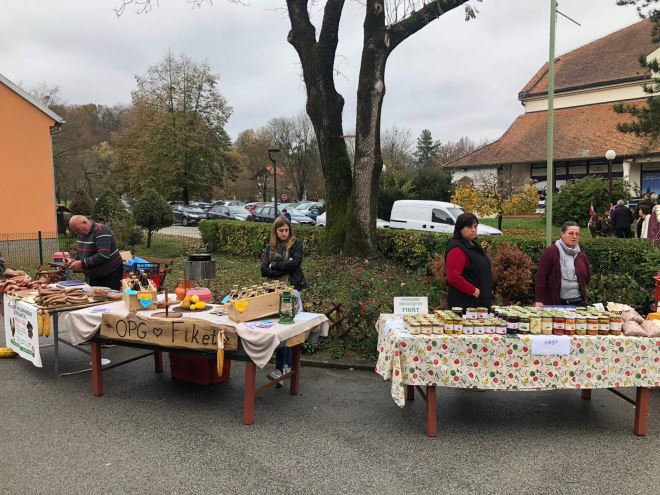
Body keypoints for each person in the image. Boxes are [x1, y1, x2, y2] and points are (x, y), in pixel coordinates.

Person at [260, 216, 306, 383]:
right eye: (281, 230)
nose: (284, 233)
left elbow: (295, 264)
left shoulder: (296, 245)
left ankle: (281, 368)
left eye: (287, 230)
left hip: (292, 291)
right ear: (275, 231)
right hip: (273, 291)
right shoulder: (269, 248)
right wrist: (285, 264)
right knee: (280, 329)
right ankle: (283, 367)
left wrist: (274, 265)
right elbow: (263, 270)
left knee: (287, 327)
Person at [535, 221, 591, 307]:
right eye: (571, 233)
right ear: (562, 234)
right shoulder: (550, 252)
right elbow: (541, 277)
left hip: (578, 302)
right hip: (557, 302)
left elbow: (587, 277)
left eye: (577, 234)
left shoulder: (581, 255)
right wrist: (539, 300)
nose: (574, 237)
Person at [445, 212, 493, 310]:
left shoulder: (473, 245)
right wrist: (474, 291)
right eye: (469, 227)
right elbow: (454, 277)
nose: (473, 230)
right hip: (466, 304)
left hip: (479, 303)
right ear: (460, 228)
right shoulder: (457, 249)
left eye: (475, 226)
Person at [67, 215, 123, 290]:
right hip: (94, 274)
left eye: (77, 229)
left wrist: (81, 263)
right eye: (75, 231)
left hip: (110, 272)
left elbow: (103, 255)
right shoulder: (81, 234)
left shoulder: (101, 230)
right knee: (95, 295)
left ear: (84, 222)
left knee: (109, 296)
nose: (76, 233)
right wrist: (74, 260)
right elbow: (81, 252)